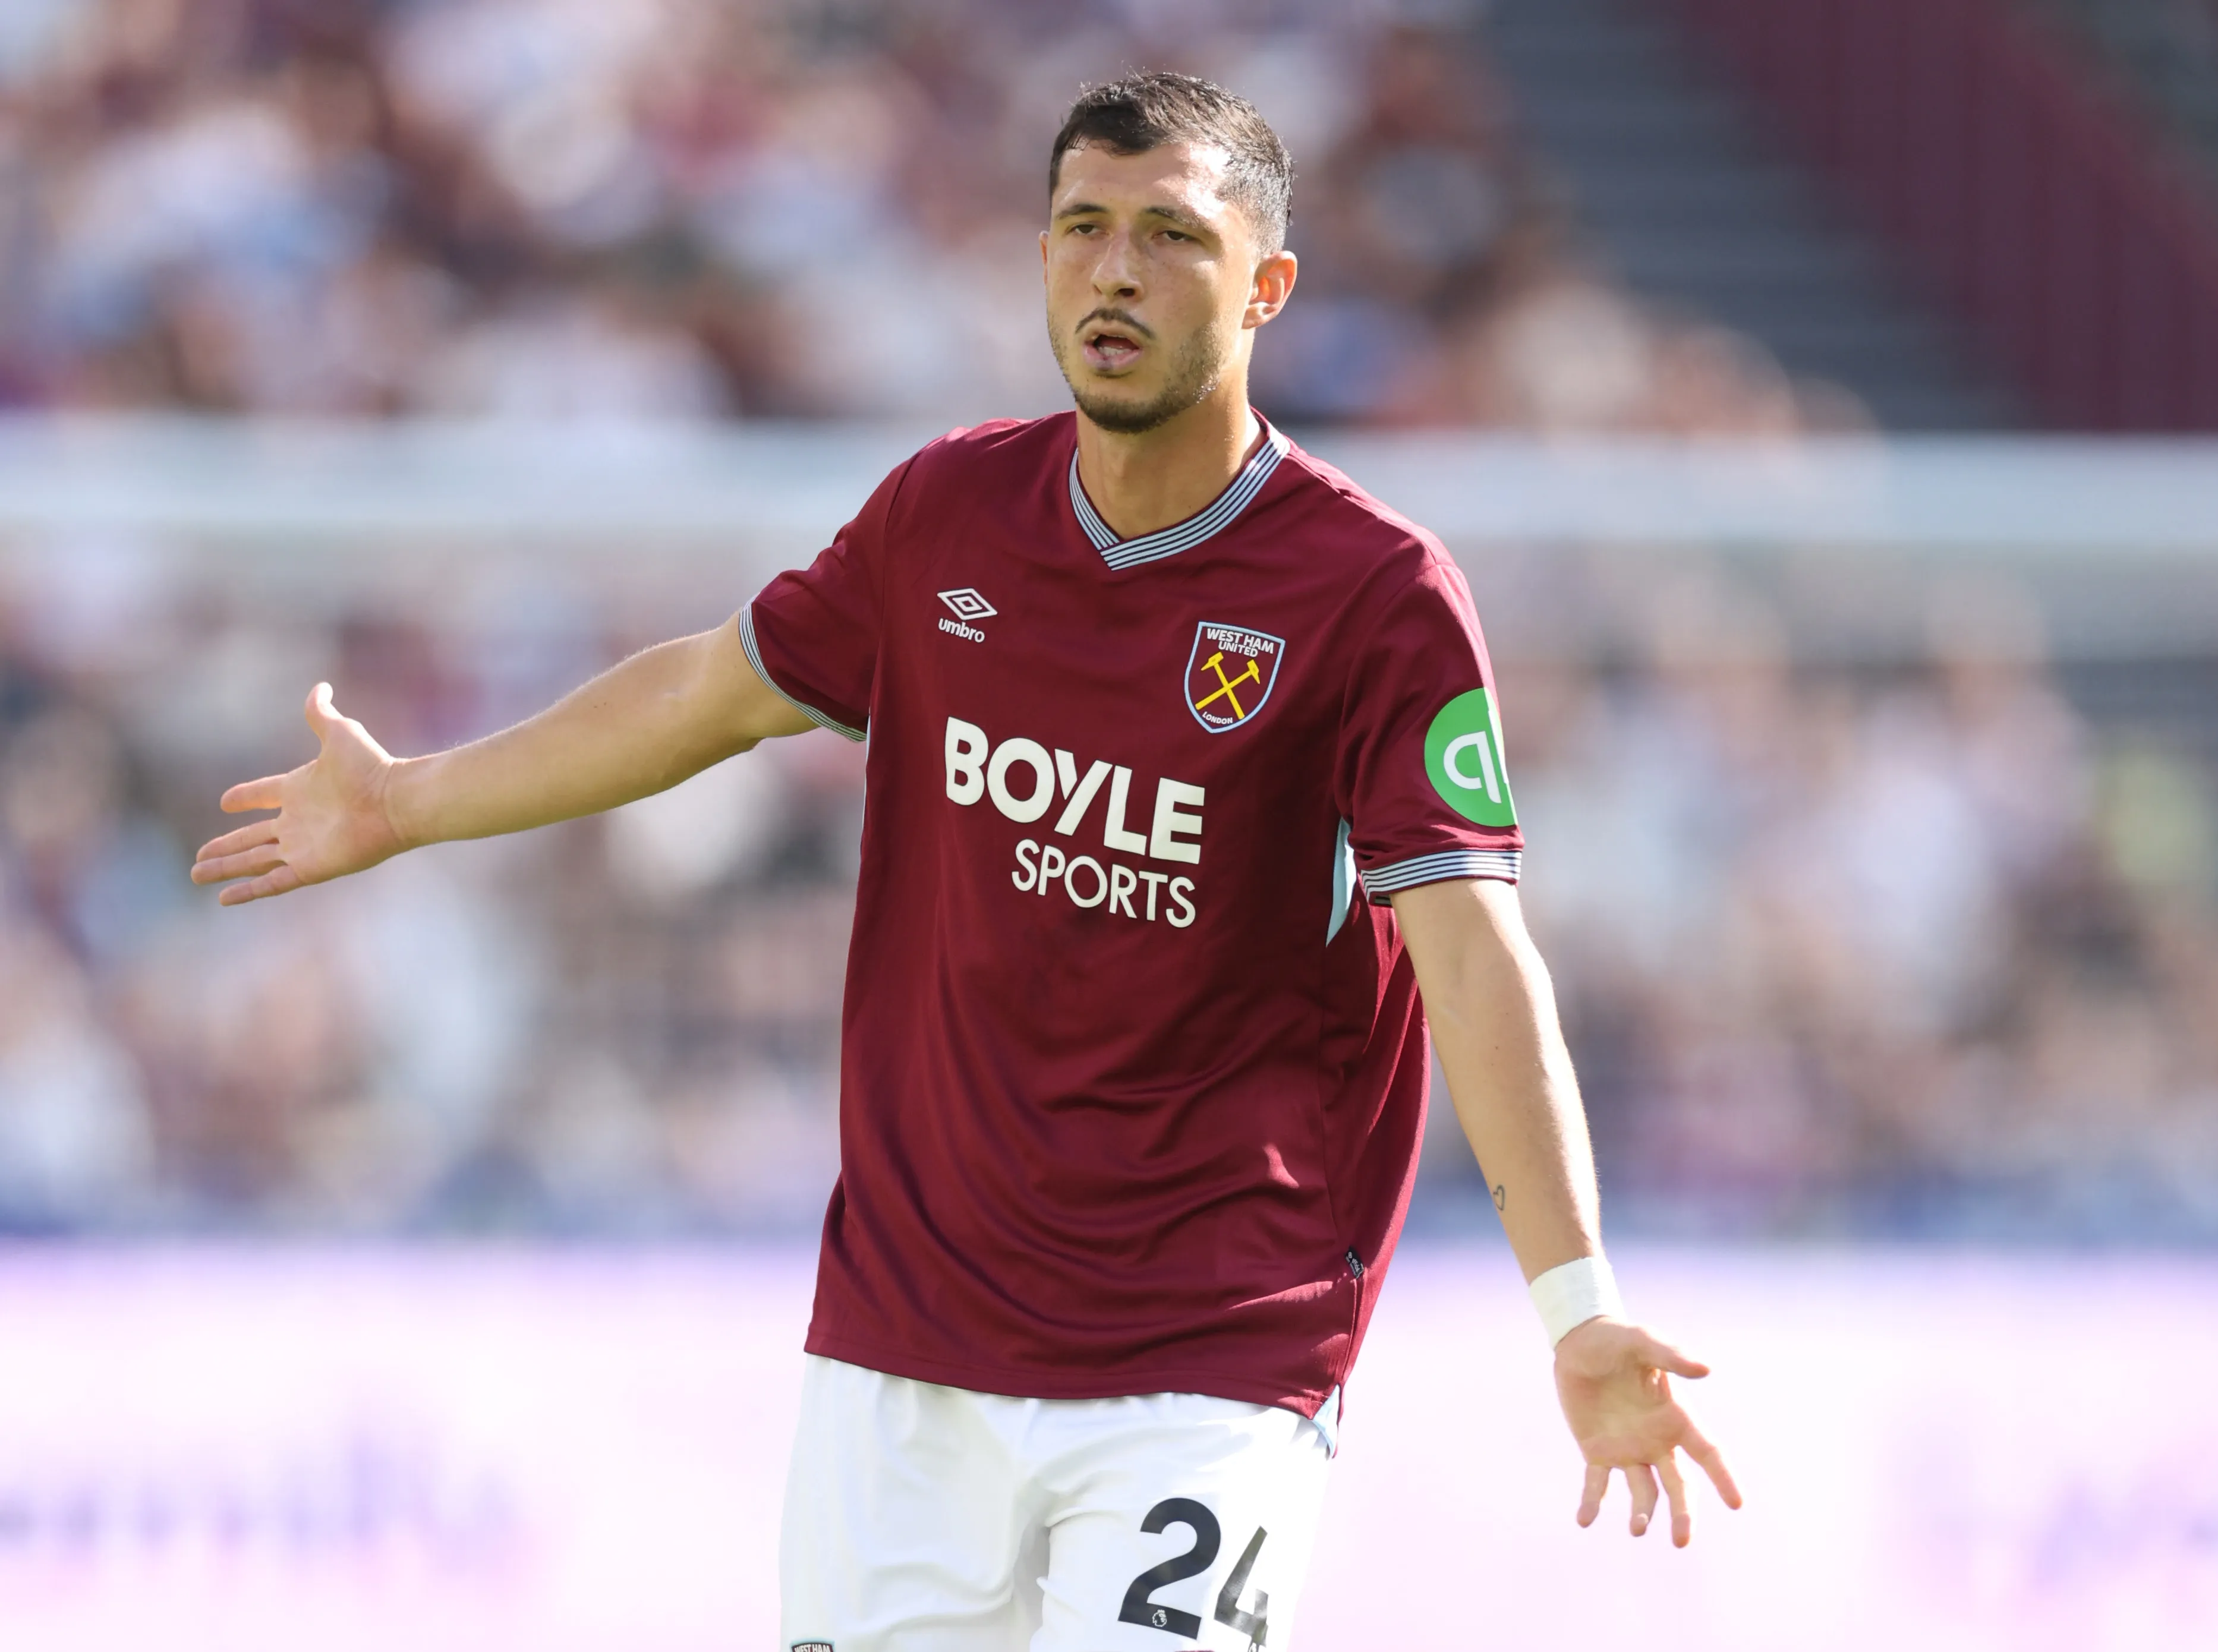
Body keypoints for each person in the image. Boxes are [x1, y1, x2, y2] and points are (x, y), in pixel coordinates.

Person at [192, 71, 1739, 1652]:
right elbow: (711, 693)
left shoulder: (1374, 592)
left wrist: (1577, 1298)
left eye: (1168, 236)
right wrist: (411, 801)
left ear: (1267, 285)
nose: (1114, 272)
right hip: (905, 1347)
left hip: (1208, 1356)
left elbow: (1472, 956)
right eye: (1080, 227)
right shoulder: (948, 517)